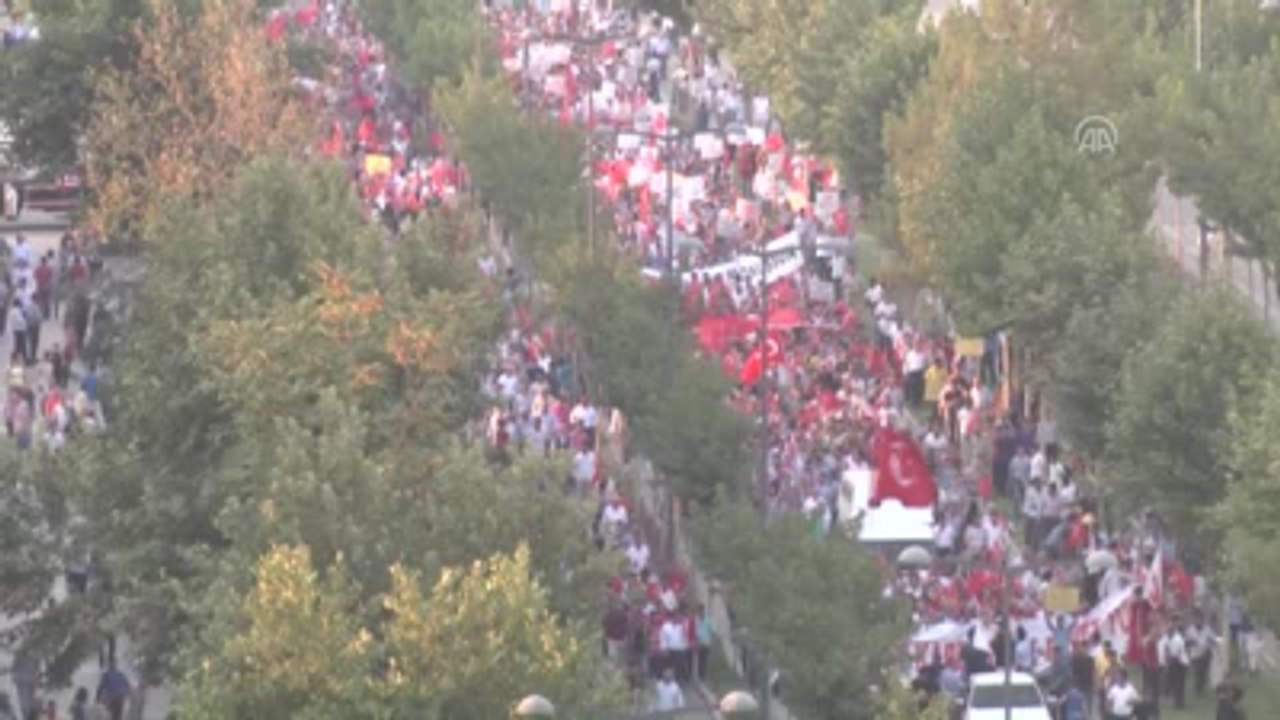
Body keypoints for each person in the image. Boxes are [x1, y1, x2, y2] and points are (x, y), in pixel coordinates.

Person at [1187, 614, 1220, 698]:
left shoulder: (1207, 629)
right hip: (1195, 655)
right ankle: (1197, 690)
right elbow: (1186, 642)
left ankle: (1201, 689)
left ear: (1202, 620)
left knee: (1203, 673)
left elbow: (1213, 639)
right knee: (1197, 672)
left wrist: (1213, 642)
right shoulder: (1190, 629)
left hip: (1205, 654)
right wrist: (1191, 642)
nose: (1198, 621)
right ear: (1194, 620)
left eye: (1200, 620)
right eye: (1197, 620)